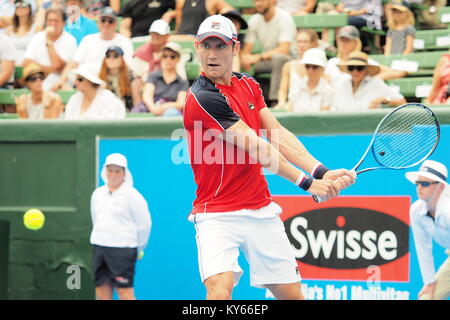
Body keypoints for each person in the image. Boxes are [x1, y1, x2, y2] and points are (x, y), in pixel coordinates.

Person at [184, 14, 356, 300]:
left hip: (260, 209)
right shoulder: (202, 97)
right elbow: (258, 147)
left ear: (235, 48)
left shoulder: (249, 85)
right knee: (219, 290)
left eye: (220, 46)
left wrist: (321, 172)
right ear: (197, 47)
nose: (212, 55)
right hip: (216, 213)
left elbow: (277, 134)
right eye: (206, 46)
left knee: (292, 296)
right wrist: (307, 183)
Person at [90, 153, 151, 300]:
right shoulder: (97, 194)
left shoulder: (133, 196)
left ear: (124, 173)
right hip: (99, 248)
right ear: (105, 172)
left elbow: (144, 225)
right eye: (110, 170)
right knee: (101, 294)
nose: (113, 175)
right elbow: (95, 220)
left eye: (117, 171)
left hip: (122, 250)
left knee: (125, 294)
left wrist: (138, 247)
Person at [53, 6, 133, 91]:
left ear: (116, 24)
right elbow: (73, 63)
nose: (106, 24)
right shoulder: (88, 39)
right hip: (85, 82)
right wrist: (61, 81)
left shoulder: (124, 41)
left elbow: (127, 66)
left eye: (110, 21)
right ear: (98, 22)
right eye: (103, 20)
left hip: (111, 84)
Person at [405, 160, 450, 300]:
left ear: (440, 187)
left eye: (425, 184)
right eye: (417, 183)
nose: (419, 188)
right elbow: (423, 249)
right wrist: (430, 282)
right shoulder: (416, 211)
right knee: (427, 297)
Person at [240, 0, 297, 106]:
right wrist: (245, 59)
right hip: (266, 60)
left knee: (278, 58)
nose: (258, 4)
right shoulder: (254, 19)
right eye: (255, 1)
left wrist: (258, 57)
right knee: (240, 62)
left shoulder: (284, 17)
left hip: (290, 59)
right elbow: (247, 49)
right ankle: (245, 102)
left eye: (261, 0)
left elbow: (284, 49)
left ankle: (274, 101)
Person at [22, 6, 77, 91]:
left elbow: (58, 66)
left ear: (63, 22)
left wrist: (49, 43)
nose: (52, 23)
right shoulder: (37, 37)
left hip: (59, 83)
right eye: (50, 20)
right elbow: (26, 62)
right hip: (36, 79)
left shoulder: (70, 40)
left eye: (56, 21)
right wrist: (49, 70)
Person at [332, 51, 407, 111]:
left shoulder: (376, 83)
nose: (355, 72)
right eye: (351, 68)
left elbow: (402, 102)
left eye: (359, 68)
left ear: (366, 69)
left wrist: (385, 101)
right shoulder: (342, 86)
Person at [136, 42, 189, 116]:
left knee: (171, 113)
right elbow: (147, 95)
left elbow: (181, 103)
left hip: (171, 113)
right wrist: (153, 108)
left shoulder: (182, 82)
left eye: (172, 56)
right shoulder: (153, 75)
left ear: (178, 59)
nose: (168, 59)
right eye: (165, 56)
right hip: (151, 109)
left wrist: (164, 107)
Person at [275, 29, 320, 110]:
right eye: (299, 42)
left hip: (314, 105)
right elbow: (283, 90)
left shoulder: (319, 66)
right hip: (292, 107)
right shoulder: (288, 66)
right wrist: (281, 103)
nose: (301, 45)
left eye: (305, 41)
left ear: (313, 43)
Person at [284, 48, 334, 113]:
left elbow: (323, 118)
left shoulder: (328, 91)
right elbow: (290, 110)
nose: (310, 70)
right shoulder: (296, 87)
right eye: (307, 66)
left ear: (322, 69)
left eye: (315, 66)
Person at [6, 0, 43, 66]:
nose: (20, 8)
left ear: (29, 9)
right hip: (11, 64)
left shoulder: (36, 28)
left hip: (29, 64)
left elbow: (38, 49)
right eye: (17, 5)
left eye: (23, 5)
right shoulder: (9, 29)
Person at [98, 46, 134, 111]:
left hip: (127, 112)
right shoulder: (99, 79)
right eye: (108, 56)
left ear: (122, 59)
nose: (111, 59)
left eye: (115, 56)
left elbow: (136, 104)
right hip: (106, 113)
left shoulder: (130, 77)